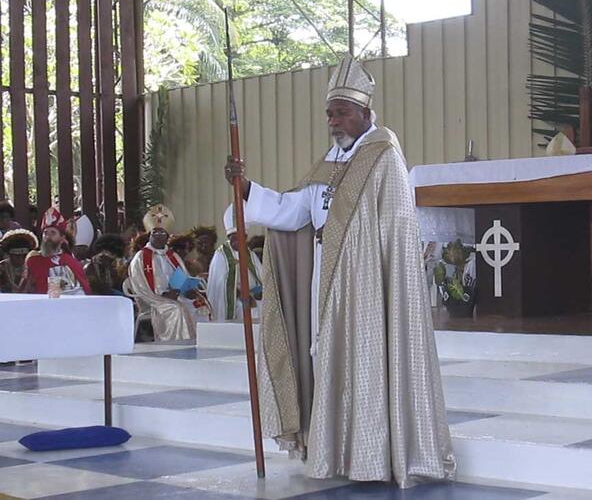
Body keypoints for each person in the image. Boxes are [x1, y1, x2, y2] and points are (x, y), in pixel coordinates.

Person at [225, 55, 455, 488]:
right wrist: (246, 189)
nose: (334, 120)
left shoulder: (383, 158)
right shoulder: (327, 164)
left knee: (368, 364)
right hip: (324, 285)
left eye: (343, 111)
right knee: (326, 362)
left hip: (369, 287)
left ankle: (375, 455)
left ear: (366, 114)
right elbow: (294, 213)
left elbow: (398, 230)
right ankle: (335, 450)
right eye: (330, 112)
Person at [127, 205, 209, 340]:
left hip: (177, 294)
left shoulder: (172, 255)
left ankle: (199, 342)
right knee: (177, 310)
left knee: (200, 304)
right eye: (155, 233)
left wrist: (188, 289)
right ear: (150, 235)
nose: (158, 236)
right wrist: (163, 295)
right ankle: (178, 346)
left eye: (162, 233)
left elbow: (183, 277)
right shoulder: (141, 258)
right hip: (155, 299)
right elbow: (140, 286)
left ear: (168, 236)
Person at [207, 204, 263, 321]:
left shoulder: (250, 255)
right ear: (229, 237)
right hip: (233, 298)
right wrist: (238, 293)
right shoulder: (221, 255)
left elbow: (261, 276)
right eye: (234, 238)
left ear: (246, 237)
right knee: (244, 309)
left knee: (264, 305)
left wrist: (259, 291)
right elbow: (219, 285)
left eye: (241, 237)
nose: (237, 241)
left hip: (252, 296)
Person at [20, 207, 91, 295]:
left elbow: (82, 292)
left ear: (62, 238)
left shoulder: (71, 262)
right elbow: (24, 290)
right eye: (45, 233)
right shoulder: (33, 260)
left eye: (53, 233)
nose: (48, 237)